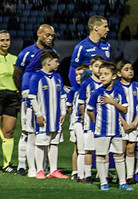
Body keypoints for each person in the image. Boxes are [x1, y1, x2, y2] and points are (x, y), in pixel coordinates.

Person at [13, 24, 56, 176]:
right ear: (39, 33)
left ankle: (42, 166)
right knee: (27, 132)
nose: (50, 38)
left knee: (43, 133)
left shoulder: (52, 53)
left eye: (52, 36)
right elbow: (17, 74)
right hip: (28, 99)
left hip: (45, 100)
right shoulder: (26, 53)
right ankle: (22, 164)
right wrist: (23, 92)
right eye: (47, 35)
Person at [87, 61, 129, 191]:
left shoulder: (119, 91)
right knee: (100, 155)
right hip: (102, 131)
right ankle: (103, 182)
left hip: (116, 130)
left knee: (119, 155)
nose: (102, 77)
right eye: (100, 75)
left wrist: (112, 102)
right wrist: (96, 122)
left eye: (106, 74)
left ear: (114, 76)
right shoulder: (97, 93)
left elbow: (125, 110)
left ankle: (122, 182)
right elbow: (89, 109)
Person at [29, 49, 68, 179]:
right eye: (56, 61)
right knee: (41, 143)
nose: (58, 64)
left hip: (56, 117)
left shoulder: (57, 76)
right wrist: (38, 114)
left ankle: (53, 170)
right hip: (44, 117)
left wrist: (63, 112)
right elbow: (32, 97)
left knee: (54, 143)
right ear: (48, 62)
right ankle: (40, 170)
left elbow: (62, 95)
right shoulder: (36, 77)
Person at [116, 59, 138, 186]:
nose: (130, 72)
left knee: (131, 149)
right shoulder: (116, 87)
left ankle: (129, 176)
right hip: (121, 123)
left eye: (131, 69)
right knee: (121, 149)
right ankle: (120, 176)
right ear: (119, 73)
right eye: (126, 69)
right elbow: (115, 108)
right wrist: (124, 122)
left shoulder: (136, 86)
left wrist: (135, 121)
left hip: (133, 123)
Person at [78, 55, 105, 184]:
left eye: (101, 66)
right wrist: (85, 118)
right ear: (90, 67)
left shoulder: (107, 84)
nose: (99, 69)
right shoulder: (87, 83)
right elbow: (81, 102)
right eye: (96, 66)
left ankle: (102, 175)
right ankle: (88, 174)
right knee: (88, 150)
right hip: (90, 122)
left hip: (105, 122)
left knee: (103, 151)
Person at [69, 15, 111, 85]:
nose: (108, 29)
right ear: (96, 27)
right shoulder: (81, 47)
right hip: (88, 87)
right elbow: (72, 71)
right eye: (105, 26)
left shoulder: (106, 45)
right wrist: (77, 90)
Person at [0, 29, 19, 172]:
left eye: (7, 40)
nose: (5, 43)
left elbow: (19, 77)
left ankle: (7, 164)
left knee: (9, 132)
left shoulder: (14, 59)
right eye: (2, 40)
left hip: (12, 96)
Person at [66, 63, 89, 180]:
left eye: (81, 74)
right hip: (77, 122)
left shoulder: (87, 88)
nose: (78, 77)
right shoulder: (74, 89)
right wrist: (74, 119)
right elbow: (69, 107)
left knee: (86, 147)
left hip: (85, 123)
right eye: (76, 75)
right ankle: (75, 171)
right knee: (77, 148)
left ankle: (84, 170)